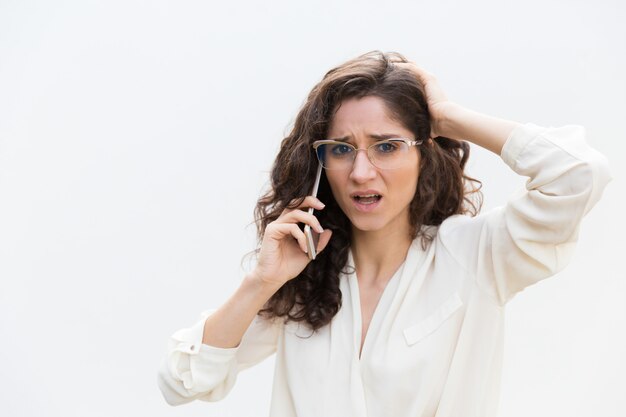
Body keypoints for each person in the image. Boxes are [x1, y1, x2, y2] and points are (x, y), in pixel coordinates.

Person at [156, 51, 612, 417]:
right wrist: (261, 283)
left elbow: (578, 173)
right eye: (341, 149)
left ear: (424, 152)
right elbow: (183, 381)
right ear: (321, 164)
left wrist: (449, 117)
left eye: (387, 146)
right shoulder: (304, 282)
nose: (360, 172)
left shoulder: (475, 256)